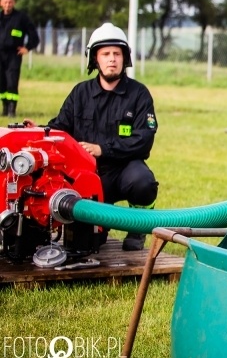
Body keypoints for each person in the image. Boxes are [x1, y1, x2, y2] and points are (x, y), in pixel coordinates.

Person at [24, 23, 159, 250]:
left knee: (143, 182)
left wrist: (102, 149)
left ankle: (138, 227)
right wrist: (38, 130)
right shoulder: (80, 93)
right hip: (86, 178)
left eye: (117, 53)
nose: (112, 59)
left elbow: (144, 140)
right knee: (87, 244)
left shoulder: (139, 94)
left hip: (124, 171)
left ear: (125, 58)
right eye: (105, 54)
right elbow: (60, 129)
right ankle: (97, 228)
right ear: (95, 59)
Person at [0, 0, 40, 119]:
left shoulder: (21, 18)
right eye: (5, 2)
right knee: (1, 83)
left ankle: (12, 110)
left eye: (10, 2)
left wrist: (27, 48)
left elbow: (34, 35)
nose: (7, 5)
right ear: (1, 3)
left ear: (14, 3)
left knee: (12, 82)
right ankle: (5, 108)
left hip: (14, 55)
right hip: (0, 55)